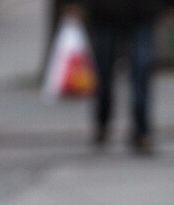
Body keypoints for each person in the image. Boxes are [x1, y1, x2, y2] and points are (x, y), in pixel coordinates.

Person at [65, 0, 173, 154]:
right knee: (104, 71)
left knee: (141, 71)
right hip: (105, 11)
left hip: (142, 10)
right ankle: (103, 121)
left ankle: (141, 130)